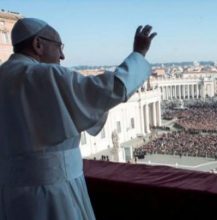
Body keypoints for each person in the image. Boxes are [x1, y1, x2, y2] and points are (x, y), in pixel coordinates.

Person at [0, 18, 156, 220]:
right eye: (59, 46)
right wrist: (139, 55)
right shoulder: (45, 75)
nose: (62, 55)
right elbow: (111, 90)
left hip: (7, 195)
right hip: (53, 193)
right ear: (38, 44)